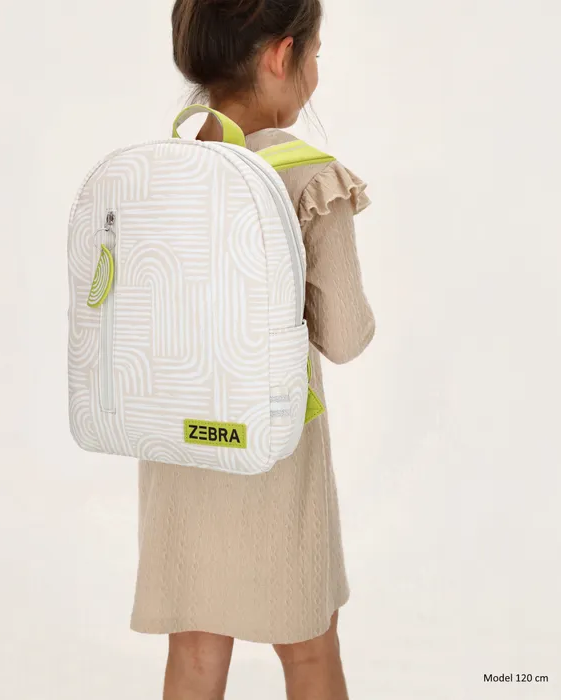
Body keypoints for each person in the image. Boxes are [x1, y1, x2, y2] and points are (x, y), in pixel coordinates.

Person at [131, 1, 376, 698]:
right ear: (279, 54)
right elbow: (346, 336)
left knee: (194, 652)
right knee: (309, 649)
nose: (315, 72)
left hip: (179, 447)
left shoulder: (160, 173)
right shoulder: (307, 176)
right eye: (315, 55)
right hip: (271, 454)